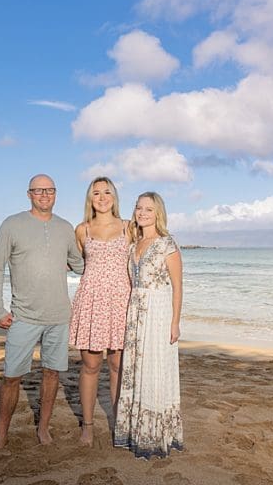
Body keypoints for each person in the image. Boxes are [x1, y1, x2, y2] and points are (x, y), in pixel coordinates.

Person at [0, 174, 84, 462]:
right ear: (29, 194)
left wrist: (104, 249)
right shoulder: (11, 224)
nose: (44, 195)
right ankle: (1, 436)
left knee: (52, 373)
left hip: (59, 316)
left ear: (56, 193)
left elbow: (80, 265)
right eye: (39, 191)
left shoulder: (65, 228)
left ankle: (43, 428)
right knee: (11, 377)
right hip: (23, 316)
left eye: (49, 190)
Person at [113, 191, 184, 459]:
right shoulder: (133, 245)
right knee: (135, 369)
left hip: (158, 314)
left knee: (154, 369)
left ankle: (156, 435)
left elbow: (178, 287)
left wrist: (175, 322)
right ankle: (135, 431)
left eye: (149, 209)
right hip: (136, 313)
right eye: (139, 208)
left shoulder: (167, 244)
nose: (142, 213)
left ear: (158, 214)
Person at [69, 177, 131, 446]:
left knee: (118, 366)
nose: (102, 197)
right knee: (91, 366)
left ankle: (118, 423)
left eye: (107, 192)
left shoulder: (129, 227)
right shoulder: (82, 230)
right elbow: (74, 263)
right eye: (96, 193)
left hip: (121, 303)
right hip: (91, 302)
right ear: (90, 199)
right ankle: (88, 425)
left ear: (114, 197)